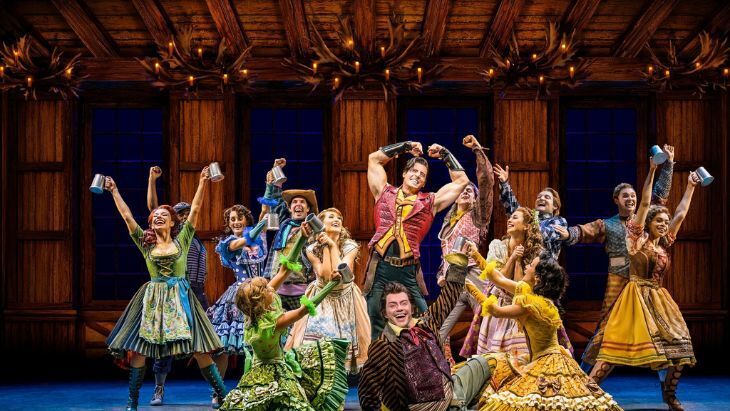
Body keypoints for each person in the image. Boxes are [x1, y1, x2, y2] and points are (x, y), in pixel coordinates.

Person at [103, 167, 226, 411]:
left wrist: (202, 182)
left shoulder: (183, 240)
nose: (158, 216)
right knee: (140, 350)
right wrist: (114, 191)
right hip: (153, 300)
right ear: (151, 222)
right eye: (155, 215)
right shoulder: (146, 243)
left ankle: (223, 395)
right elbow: (127, 217)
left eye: (164, 215)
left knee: (199, 349)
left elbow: (196, 209)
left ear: (172, 222)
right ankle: (132, 401)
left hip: (181, 299)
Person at [590, 162, 701, 411]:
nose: (664, 224)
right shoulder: (636, 239)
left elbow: (681, 214)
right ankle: (587, 392)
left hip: (658, 299)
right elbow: (644, 204)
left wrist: (691, 186)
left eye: (665, 221)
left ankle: (670, 395)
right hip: (634, 298)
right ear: (648, 223)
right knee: (613, 350)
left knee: (679, 347)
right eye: (659, 220)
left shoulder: (664, 243)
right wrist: (651, 171)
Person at [557, 145, 675, 370]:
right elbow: (585, 230)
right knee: (607, 324)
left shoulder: (645, 221)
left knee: (656, 327)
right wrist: (569, 233)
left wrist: (668, 165)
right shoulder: (607, 224)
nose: (630, 199)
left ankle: (665, 380)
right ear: (616, 199)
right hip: (618, 279)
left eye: (633, 195)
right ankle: (585, 373)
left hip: (644, 281)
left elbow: (658, 198)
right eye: (625, 196)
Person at [466, 245, 622, 411]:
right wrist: (475, 255)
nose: (526, 266)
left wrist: (471, 288)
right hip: (540, 357)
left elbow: (496, 311)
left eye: (531, 265)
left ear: (537, 278)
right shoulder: (531, 294)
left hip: (548, 361)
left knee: (545, 402)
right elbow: (499, 279)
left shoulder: (532, 304)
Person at [365, 140, 469, 339]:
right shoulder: (383, 192)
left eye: (422, 175)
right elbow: (374, 159)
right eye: (414, 171)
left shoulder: (431, 202)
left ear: (424, 182)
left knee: (425, 320)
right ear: (404, 173)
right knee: (374, 317)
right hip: (380, 268)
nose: (417, 176)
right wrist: (405, 147)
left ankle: (425, 357)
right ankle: (377, 357)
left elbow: (462, 181)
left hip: (407, 270)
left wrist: (445, 153)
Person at [358, 263, 492, 410]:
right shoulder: (383, 345)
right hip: (425, 407)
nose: (399, 308)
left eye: (403, 303)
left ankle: (464, 404)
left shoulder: (426, 323)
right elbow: (368, 392)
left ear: (412, 308)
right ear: (385, 313)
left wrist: (459, 261)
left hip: (451, 391)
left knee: (486, 363)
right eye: (393, 305)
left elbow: (448, 298)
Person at [220, 258, 348, 410]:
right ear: (261, 301)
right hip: (275, 370)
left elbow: (283, 271)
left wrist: (299, 242)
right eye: (266, 290)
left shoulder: (251, 315)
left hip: (256, 369)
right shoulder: (274, 324)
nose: (271, 289)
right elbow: (304, 310)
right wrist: (331, 284)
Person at [146, 166, 210, 406]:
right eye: (180, 214)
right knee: (165, 343)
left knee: (203, 341)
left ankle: (216, 389)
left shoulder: (194, 238)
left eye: (186, 213)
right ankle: (159, 388)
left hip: (197, 292)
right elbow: (154, 208)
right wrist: (152, 180)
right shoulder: (175, 236)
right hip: (176, 290)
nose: (185, 216)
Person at [285, 208, 371, 373]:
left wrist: (332, 245)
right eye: (331, 217)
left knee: (343, 342)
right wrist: (326, 246)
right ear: (321, 223)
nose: (337, 219)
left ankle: (339, 377)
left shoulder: (350, 246)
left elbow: (343, 273)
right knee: (319, 338)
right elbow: (325, 277)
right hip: (322, 296)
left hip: (345, 297)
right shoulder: (312, 249)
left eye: (339, 218)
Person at [435, 135, 494, 360]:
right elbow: (445, 253)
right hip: (453, 278)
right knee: (439, 329)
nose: (467, 191)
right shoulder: (448, 222)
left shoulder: (478, 216)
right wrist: (441, 274)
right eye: (464, 189)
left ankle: (491, 366)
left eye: (472, 190)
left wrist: (478, 151)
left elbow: (486, 183)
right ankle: (438, 370)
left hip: (473, 274)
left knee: (489, 319)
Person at [206, 204, 268, 405]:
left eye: (239, 218)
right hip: (239, 295)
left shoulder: (259, 238)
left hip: (261, 294)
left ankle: (256, 388)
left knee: (258, 344)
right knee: (224, 347)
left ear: (247, 220)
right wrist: (260, 225)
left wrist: (270, 193)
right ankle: (218, 391)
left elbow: (265, 212)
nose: (236, 222)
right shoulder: (228, 243)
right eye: (232, 219)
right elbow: (244, 241)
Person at [472, 207, 543, 364]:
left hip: (520, 305)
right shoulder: (497, 246)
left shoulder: (535, 252)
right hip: (499, 301)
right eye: (510, 217)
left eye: (515, 217)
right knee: (493, 358)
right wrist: (512, 258)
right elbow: (498, 279)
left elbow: (521, 288)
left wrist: (519, 261)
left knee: (519, 357)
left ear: (526, 226)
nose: (509, 220)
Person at [257, 158, 317, 311]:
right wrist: (275, 174)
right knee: (277, 323)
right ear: (289, 209)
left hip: (302, 289)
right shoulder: (284, 224)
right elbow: (275, 201)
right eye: (294, 202)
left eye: (302, 202)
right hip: (278, 287)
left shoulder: (314, 229)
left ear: (308, 209)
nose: (298, 205)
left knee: (300, 324)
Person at [493, 164, 567, 259]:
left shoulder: (559, 221)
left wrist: (522, 223)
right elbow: (513, 208)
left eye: (547, 197)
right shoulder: (530, 218)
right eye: (539, 197)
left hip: (545, 267)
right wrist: (505, 183)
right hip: (524, 266)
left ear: (555, 206)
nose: (541, 199)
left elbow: (543, 234)